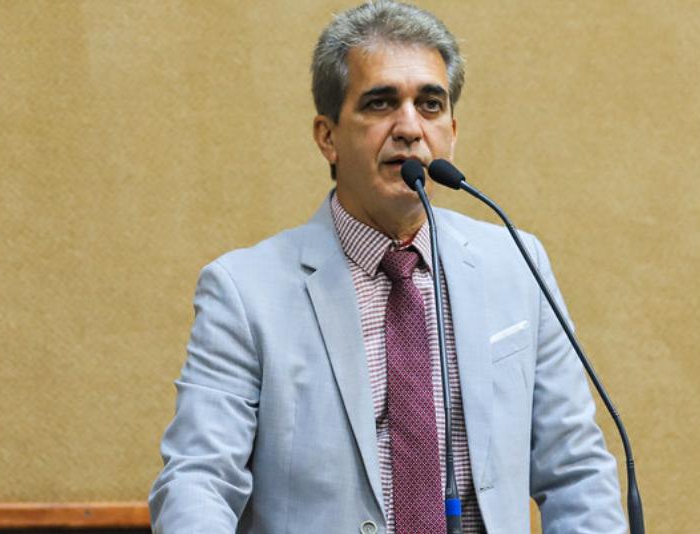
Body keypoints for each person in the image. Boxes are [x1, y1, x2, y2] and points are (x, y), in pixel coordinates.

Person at [149, 1, 628, 533]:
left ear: (452, 131)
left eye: (430, 104)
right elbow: (199, 480)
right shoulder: (244, 293)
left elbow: (576, 472)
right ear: (327, 136)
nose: (409, 128)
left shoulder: (516, 263)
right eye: (380, 103)